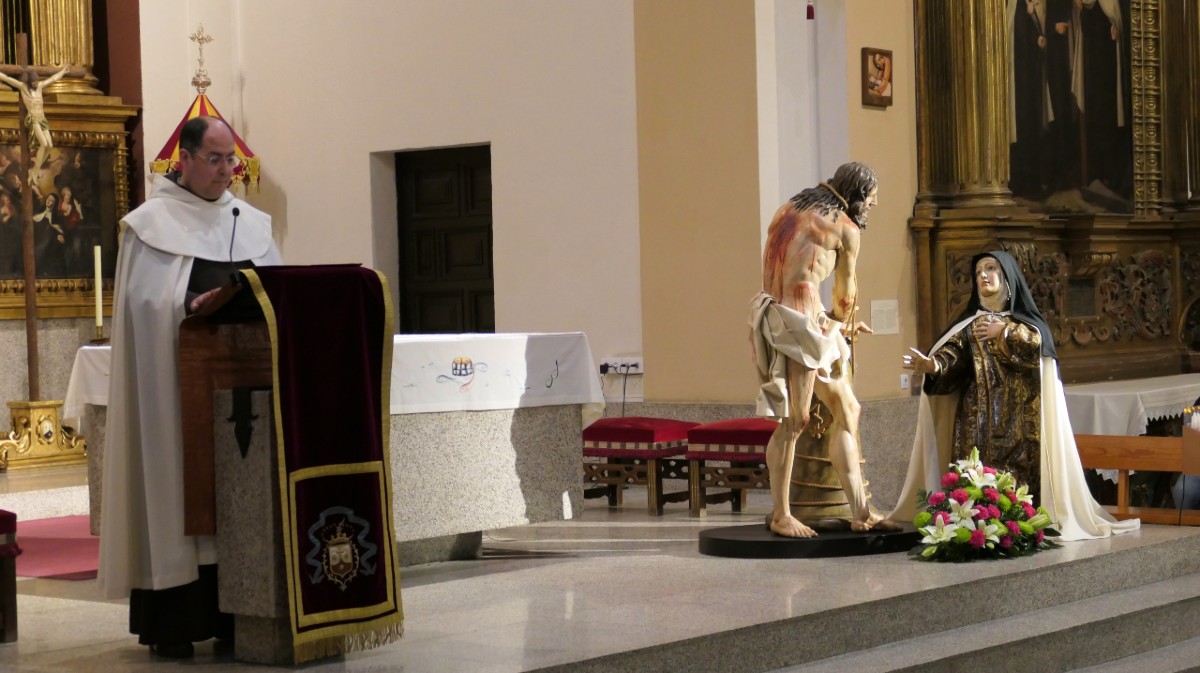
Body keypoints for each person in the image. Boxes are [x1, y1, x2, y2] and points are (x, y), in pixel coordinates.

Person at [98, 116, 282, 658]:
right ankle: (175, 620)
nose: (226, 172)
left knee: (241, 498)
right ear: (185, 158)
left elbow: (278, 293)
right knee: (179, 493)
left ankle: (239, 611)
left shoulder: (250, 222)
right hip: (179, 393)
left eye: (233, 162)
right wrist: (186, 306)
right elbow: (143, 306)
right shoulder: (150, 225)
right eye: (215, 160)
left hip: (244, 386)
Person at [895, 250, 1139, 541]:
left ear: (1007, 277)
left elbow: (1037, 350)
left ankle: (1015, 528)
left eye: (990, 269)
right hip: (976, 419)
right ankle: (973, 529)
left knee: (1017, 476)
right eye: (978, 273)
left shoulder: (1025, 324)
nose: (983, 276)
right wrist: (932, 365)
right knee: (974, 474)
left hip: (1019, 419)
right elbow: (953, 357)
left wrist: (1005, 332)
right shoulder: (970, 325)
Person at [749, 162, 898, 538]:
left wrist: (835, 329)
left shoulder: (790, 206)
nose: (874, 205)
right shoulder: (846, 229)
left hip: (781, 314)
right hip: (802, 325)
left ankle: (862, 511)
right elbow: (845, 295)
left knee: (848, 407)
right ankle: (782, 514)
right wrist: (841, 324)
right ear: (858, 196)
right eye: (872, 198)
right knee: (794, 420)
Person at [0, 67, 68, 177]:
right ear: (30, 82)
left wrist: (63, 72)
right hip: (34, 119)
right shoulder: (23, 87)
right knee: (44, 143)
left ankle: (37, 167)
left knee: (50, 145)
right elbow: (7, 78)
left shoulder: (40, 86)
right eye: (34, 83)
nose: (37, 84)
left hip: (42, 118)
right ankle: (35, 170)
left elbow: (52, 79)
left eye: (37, 82)